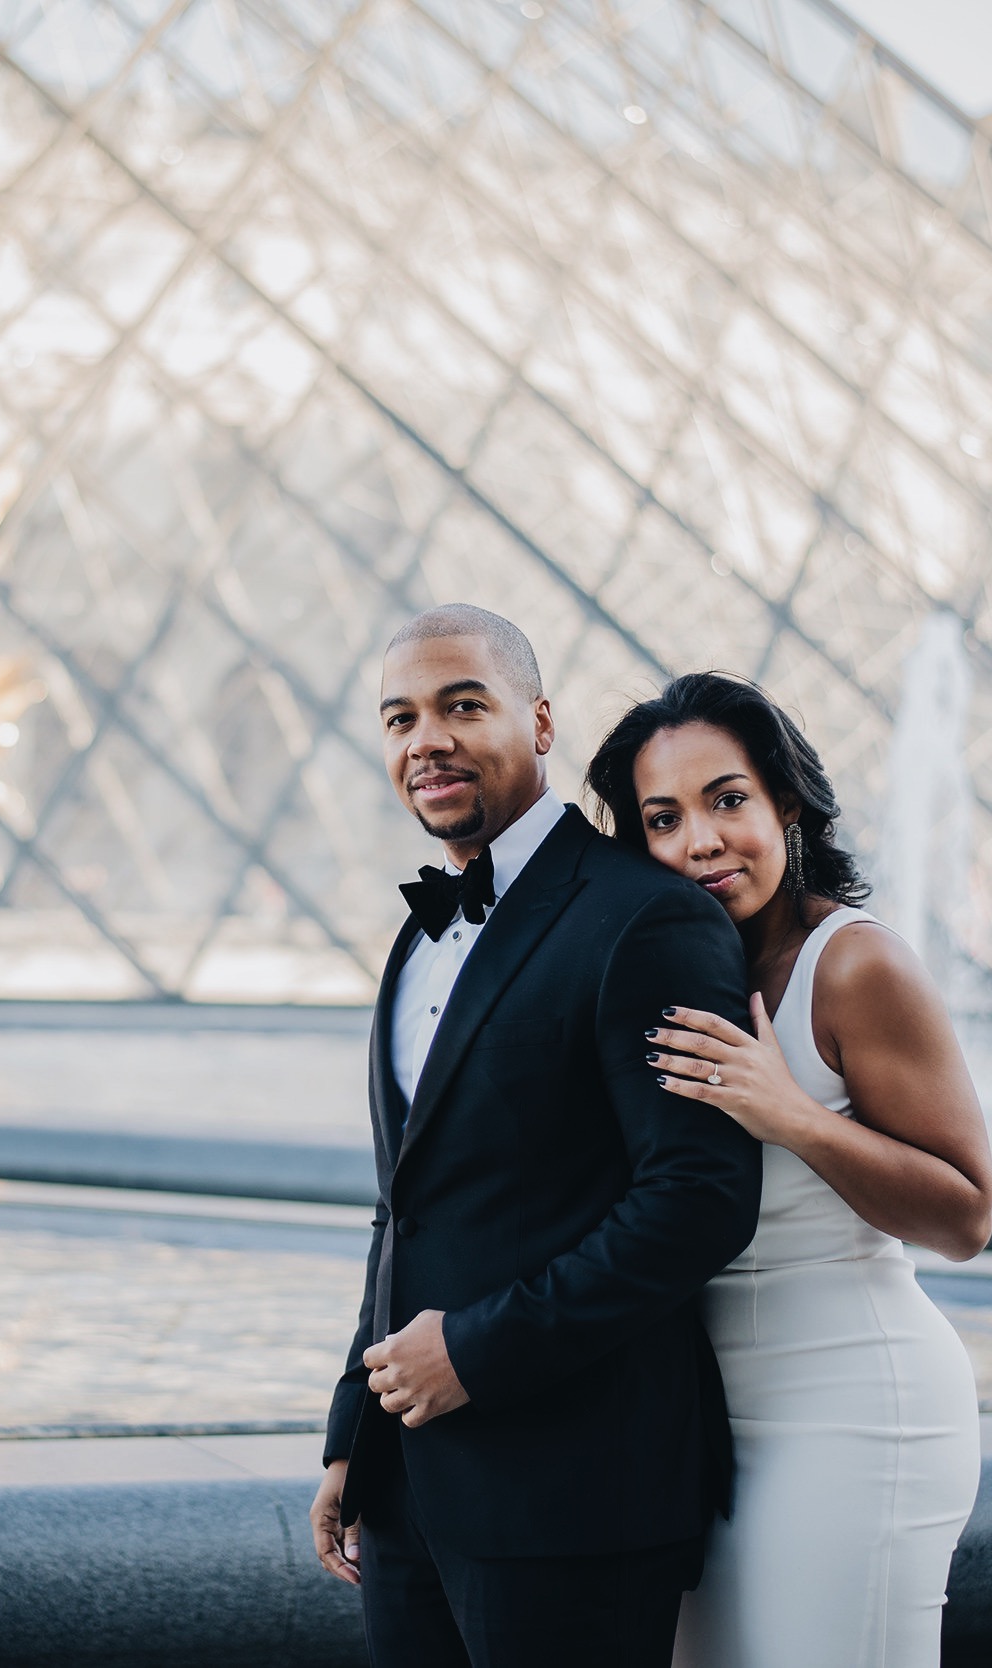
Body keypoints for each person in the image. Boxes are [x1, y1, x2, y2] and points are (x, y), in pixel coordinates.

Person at [309, 606, 764, 1668]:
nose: (428, 739)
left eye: (464, 705)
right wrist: (353, 1433)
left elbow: (695, 1200)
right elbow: (407, 1210)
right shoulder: (412, 944)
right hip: (410, 1493)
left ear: (542, 722)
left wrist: (473, 1352)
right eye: (400, 718)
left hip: (576, 1498)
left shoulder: (646, 918)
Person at [584, 672, 992, 1668]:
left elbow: (965, 1217)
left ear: (787, 803)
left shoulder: (854, 967)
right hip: (705, 1431)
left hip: (853, 1406)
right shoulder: (673, 972)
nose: (699, 842)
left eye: (728, 800)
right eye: (662, 818)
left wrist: (790, 1115)